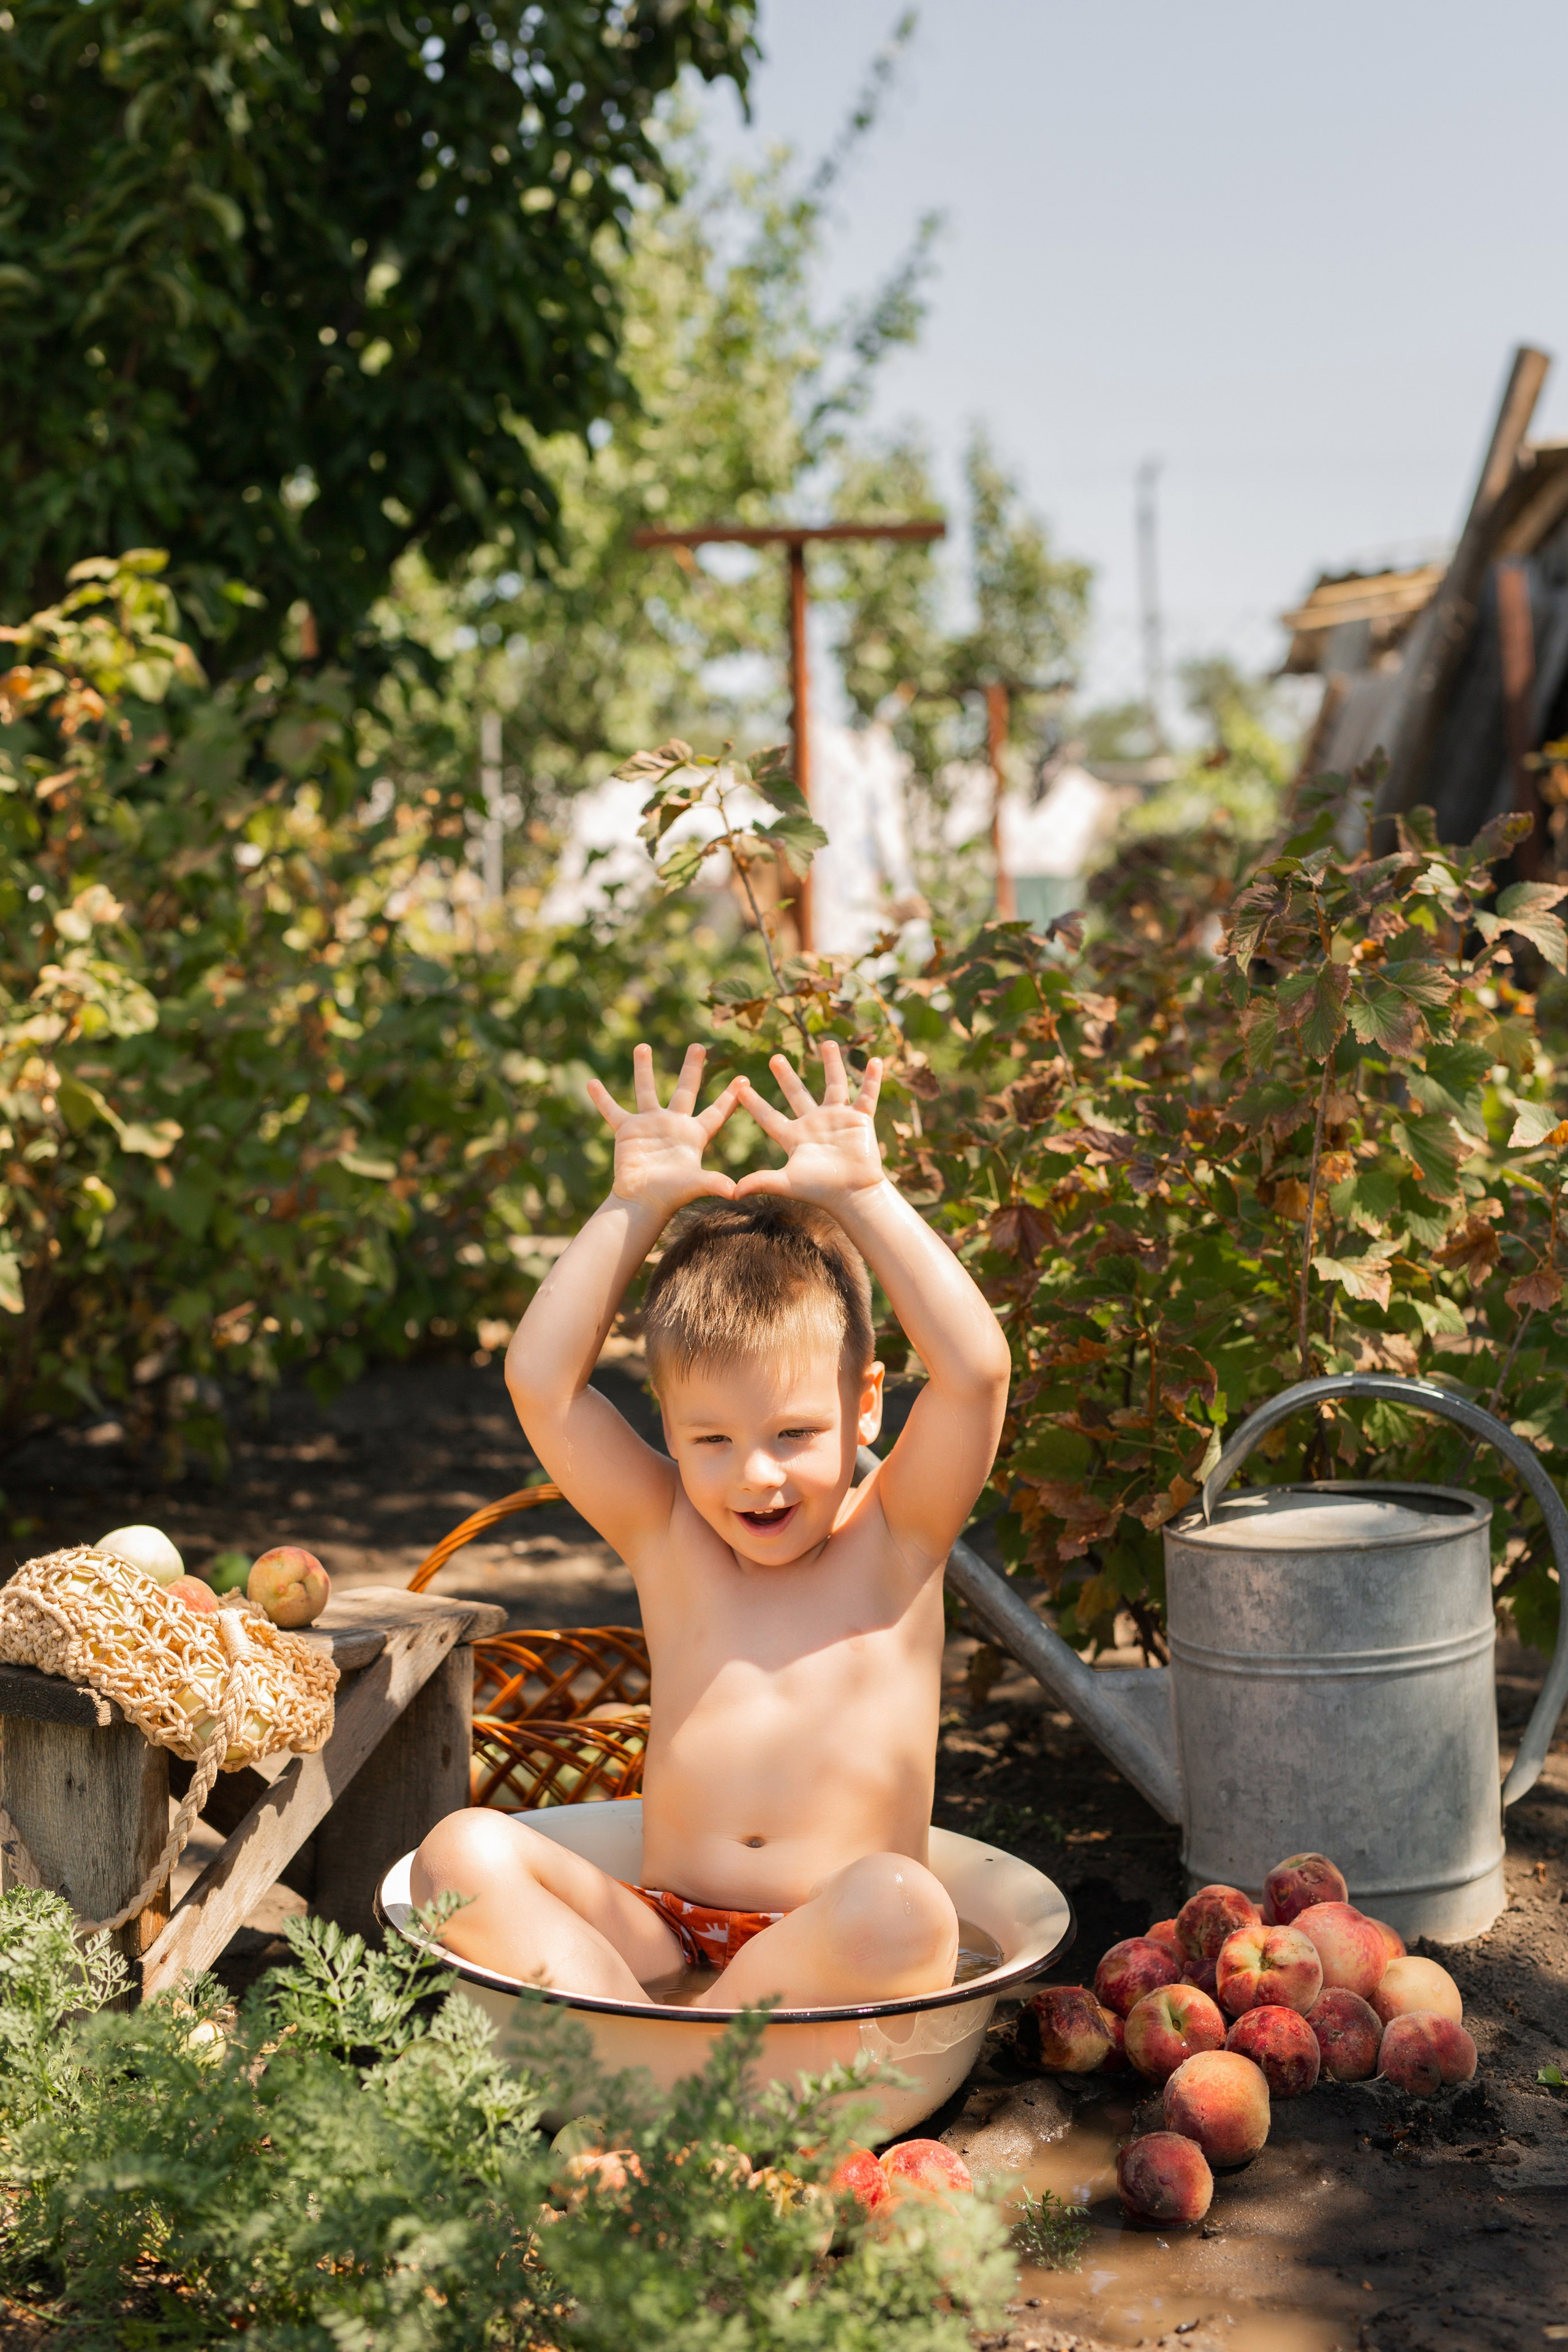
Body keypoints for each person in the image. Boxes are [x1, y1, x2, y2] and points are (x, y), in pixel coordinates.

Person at [412, 1038, 1011, 2007]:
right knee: (458, 1851)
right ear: (669, 1431)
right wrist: (633, 1206)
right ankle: (658, 2066)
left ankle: (646, 2089)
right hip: (659, 1939)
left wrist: (865, 1193)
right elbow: (540, 1382)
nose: (757, 1475)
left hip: (829, 1949)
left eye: (795, 1432)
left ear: (866, 1407)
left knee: (906, 1905)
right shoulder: (668, 1533)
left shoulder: (898, 1537)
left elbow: (976, 1372)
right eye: (714, 1440)